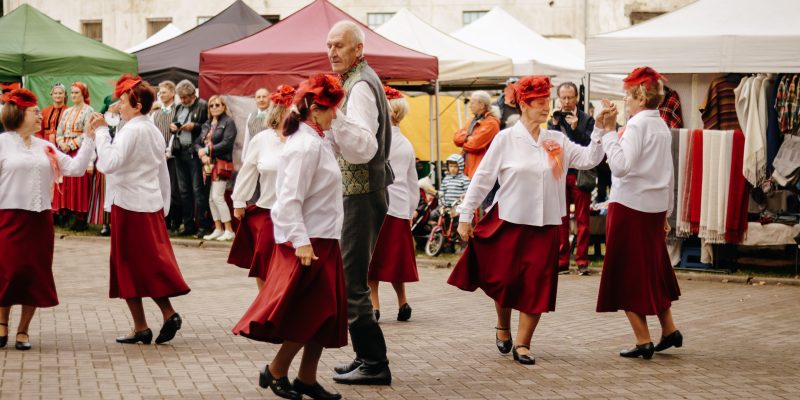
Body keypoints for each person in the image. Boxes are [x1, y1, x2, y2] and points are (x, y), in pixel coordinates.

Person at [448, 76, 609, 365]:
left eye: (548, 102)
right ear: (524, 105)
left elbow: (589, 159)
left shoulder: (556, 140)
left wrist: (599, 128)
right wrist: (465, 215)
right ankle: (503, 325)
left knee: (536, 285)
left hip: (546, 225)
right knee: (504, 280)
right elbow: (483, 178)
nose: (547, 107)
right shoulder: (505, 139)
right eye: (540, 103)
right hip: (509, 220)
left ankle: (523, 344)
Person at [232, 74, 346, 400]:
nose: (336, 114)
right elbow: (288, 200)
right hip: (308, 242)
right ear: (315, 110)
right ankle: (277, 370)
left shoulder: (317, 139)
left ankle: (305, 377)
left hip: (324, 237)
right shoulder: (303, 145)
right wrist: (301, 242)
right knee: (312, 313)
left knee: (326, 314)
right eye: (332, 109)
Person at [88, 74, 190, 345]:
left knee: (126, 264)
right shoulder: (152, 129)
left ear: (137, 105)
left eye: (123, 101)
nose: (119, 106)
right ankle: (159, 317)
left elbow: (109, 163)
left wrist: (101, 132)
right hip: (149, 202)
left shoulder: (132, 130)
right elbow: (161, 170)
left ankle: (144, 324)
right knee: (147, 262)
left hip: (128, 204)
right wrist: (163, 203)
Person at [595, 67, 682, 360]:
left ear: (640, 98)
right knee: (653, 269)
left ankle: (643, 339)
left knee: (626, 272)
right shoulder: (661, 125)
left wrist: (609, 133)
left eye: (628, 97)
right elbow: (668, 172)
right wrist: (667, 212)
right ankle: (668, 328)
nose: (625, 102)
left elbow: (621, 166)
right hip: (654, 207)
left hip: (630, 206)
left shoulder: (636, 126)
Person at [0, 89, 95, 351]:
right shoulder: (2, 143)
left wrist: (88, 137)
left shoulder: (45, 146)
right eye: (34, 112)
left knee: (35, 273)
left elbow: (75, 169)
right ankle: (2, 322)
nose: (41, 116)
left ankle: (23, 329)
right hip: (8, 216)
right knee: (7, 272)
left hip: (40, 219)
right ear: (19, 114)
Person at [326, 20, 394, 386]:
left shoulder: (361, 85)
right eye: (329, 45)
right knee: (351, 275)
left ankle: (374, 362)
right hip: (360, 190)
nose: (332, 51)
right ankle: (363, 355)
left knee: (352, 278)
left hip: (362, 190)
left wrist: (332, 118)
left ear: (358, 49)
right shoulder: (354, 81)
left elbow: (363, 145)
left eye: (339, 45)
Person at [229, 85, 294, 290]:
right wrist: (239, 200)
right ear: (279, 112)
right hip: (267, 209)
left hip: (298, 212)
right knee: (264, 258)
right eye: (289, 110)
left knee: (292, 264)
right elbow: (248, 171)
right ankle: (264, 302)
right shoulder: (262, 140)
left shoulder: (302, 139)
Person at [367, 86, 420, 323]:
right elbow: (412, 182)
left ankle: (374, 305)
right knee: (396, 259)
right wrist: (410, 209)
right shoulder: (406, 144)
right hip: (399, 207)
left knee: (372, 260)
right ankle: (403, 301)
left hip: (375, 206)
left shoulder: (376, 141)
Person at [548, 81, 597, 276]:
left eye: (570, 97)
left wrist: (576, 128)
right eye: (563, 98)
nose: (567, 101)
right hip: (559, 173)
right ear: (558, 98)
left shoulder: (587, 119)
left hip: (580, 175)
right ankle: (562, 261)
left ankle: (582, 260)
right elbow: (550, 145)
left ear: (577, 98)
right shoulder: (554, 118)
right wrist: (554, 125)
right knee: (561, 219)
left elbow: (590, 147)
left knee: (583, 219)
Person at [170, 80, 210, 238]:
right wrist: (173, 127)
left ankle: (203, 225)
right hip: (180, 151)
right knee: (184, 191)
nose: (183, 100)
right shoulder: (179, 107)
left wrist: (195, 126)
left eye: (185, 97)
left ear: (193, 94)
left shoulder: (203, 105)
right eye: (180, 97)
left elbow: (208, 126)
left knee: (197, 190)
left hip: (194, 152)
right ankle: (188, 225)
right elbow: (174, 122)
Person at [53, 82, 95, 232]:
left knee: (78, 183)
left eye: (77, 92)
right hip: (64, 149)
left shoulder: (89, 110)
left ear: (83, 94)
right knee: (65, 183)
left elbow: (87, 133)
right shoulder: (67, 111)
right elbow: (59, 130)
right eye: (72, 93)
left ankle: (80, 218)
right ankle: (65, 213)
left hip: (79, 150)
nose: (73, 95)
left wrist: (70, 145)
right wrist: (61, 143)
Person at [196, 95, 237, 241]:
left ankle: (229, 230)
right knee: (211, 199)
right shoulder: (207, 124)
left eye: (217, 105)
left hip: (221, 163)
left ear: (223, 106)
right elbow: (197, 143)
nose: (214, 107)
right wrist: (202, 155)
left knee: (217, 197)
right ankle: (218, 229)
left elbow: (227, 143)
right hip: (208, 165)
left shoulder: (228, 122)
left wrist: (207, 151)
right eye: (211, 105)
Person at [150, 80, 182, 232]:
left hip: (174, 155)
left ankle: (176, 221)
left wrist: (168, 151)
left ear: (173, 93)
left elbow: (178, 133)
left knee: (174, 189)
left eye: (164, 92)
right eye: (160, 93)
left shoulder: (178, 111)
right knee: (160, 188)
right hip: (158, 157)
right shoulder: (155, 114)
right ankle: (164, 221)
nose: (161, 95)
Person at [453, 91, 501, 179]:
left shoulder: (491, 123)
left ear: (482, 105)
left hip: (482, 172)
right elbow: (456, 139)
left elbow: (474, 145)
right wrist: (469, 138)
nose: (470, 106)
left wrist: (464, 139)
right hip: (469, 170)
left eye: (472, 103)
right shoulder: (471, 121)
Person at [242, 87, 271, 158]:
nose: (261, 100)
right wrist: (244, 157)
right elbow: (247, 138)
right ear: (255, 99)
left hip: (268, 155)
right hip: (252, 154)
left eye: (264, 97)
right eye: (258, 97)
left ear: (269, 98)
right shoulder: (251, 116)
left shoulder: (273, 116)